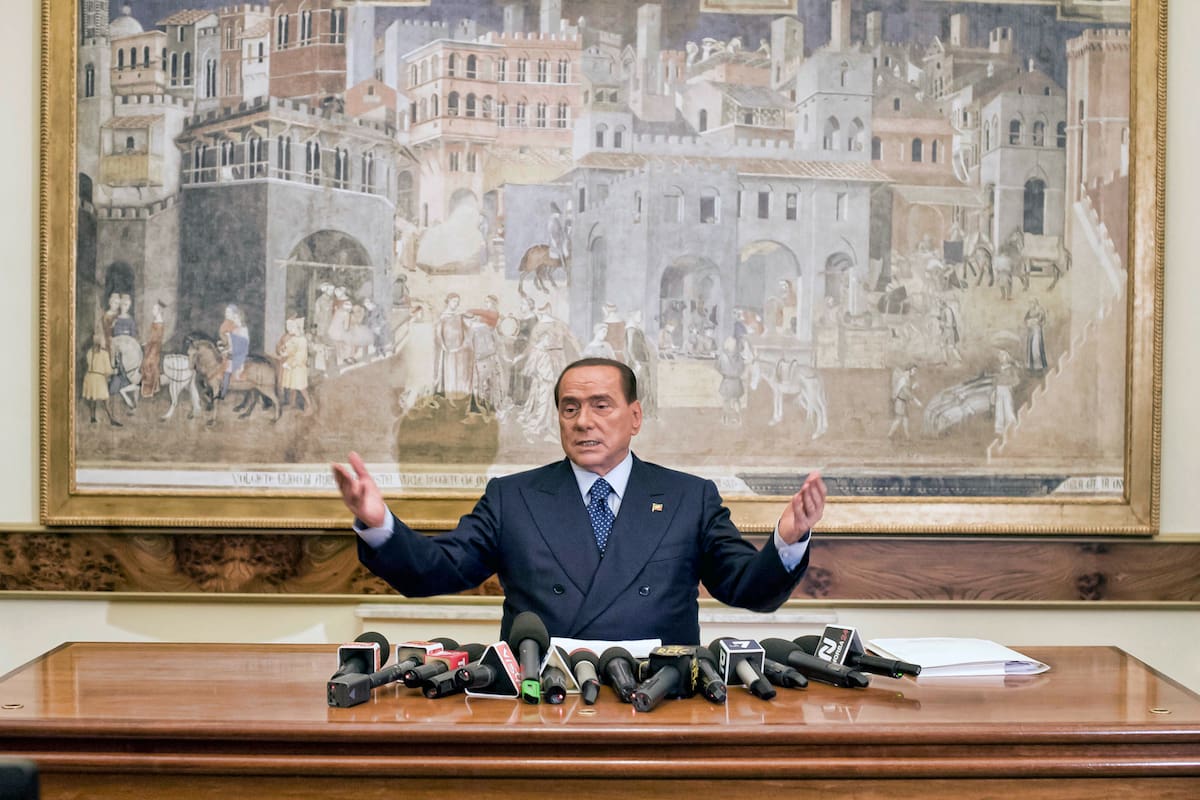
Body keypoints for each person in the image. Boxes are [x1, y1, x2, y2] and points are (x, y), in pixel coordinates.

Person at [333, 357, 826, 645]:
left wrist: (787, 540)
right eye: (570, 408)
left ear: (634, 417)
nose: (583, 421)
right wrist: (379, 524)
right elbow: (437, 570)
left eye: (600, 406)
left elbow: (747, 589)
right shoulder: (514, 497)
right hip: (544, 709)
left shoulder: (687, 497)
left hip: (659, 711)